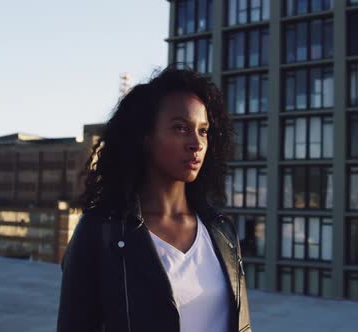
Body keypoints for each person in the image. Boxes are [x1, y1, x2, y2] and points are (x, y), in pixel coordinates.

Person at [56, 66, 252, 332]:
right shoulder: (99, 232)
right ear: (145, 138)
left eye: (203, 130)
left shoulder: (221, 231)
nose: (196, 143)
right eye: (180, 128)